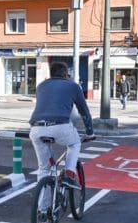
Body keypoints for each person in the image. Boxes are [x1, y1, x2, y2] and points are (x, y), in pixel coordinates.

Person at [29, 61, 94, 191]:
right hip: (60, 126)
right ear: (65, 74)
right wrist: (90, 132)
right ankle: (69, 174)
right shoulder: (73, 86)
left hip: (36, 128)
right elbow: (84, 111)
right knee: (74, 144)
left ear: (51, 74)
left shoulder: (41, 86)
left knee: (44, 169)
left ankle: (43, 203)